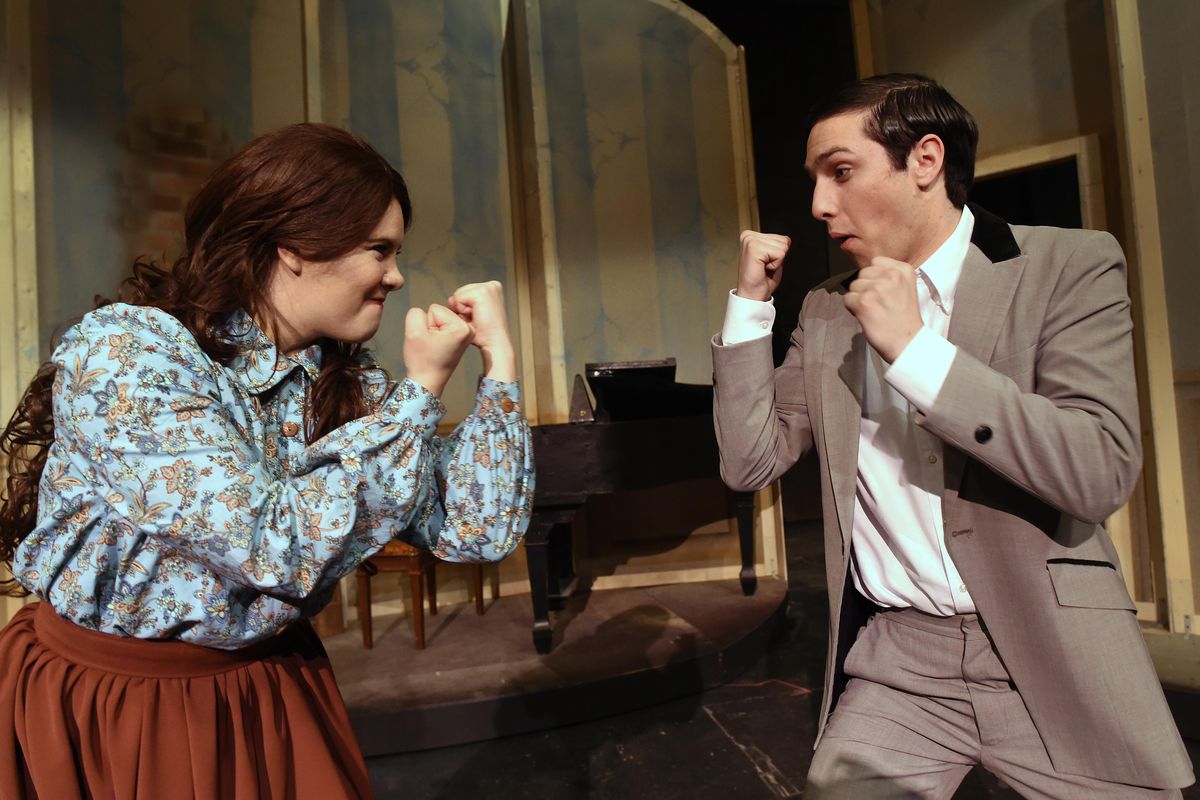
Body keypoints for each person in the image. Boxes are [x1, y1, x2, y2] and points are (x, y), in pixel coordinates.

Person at [0, 122, 534, 798]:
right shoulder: (131, 354)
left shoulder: (350, 385)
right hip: (112, 702)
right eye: (380, 250)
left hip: (264, 689)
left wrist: (500, 365)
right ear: (295, 248)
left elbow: (477, 527)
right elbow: (269, 545)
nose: (396, 277)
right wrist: (422, 391)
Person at [712, 74, 1193, 798]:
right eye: (815, 180)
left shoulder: (1068, 266)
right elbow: (749, 462)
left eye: (841, 172)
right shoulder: (825, 311)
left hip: (1048, 652)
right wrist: (750, 307)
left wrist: (916, 354)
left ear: (926, 161)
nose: (819, 205)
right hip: (900, 666)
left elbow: (1099, 470)